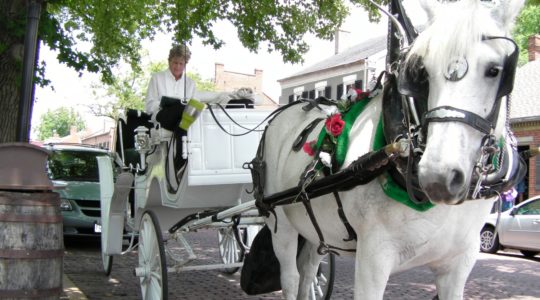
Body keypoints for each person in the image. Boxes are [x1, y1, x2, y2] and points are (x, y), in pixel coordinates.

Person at [145, 44, 196, 115]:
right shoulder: (156, 78)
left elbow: (193, 110)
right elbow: (149, 106)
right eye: (175, 63)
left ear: (185, 64)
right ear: (169, 61)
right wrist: (166, 106)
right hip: (160, 124)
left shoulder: (191, 84)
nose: (178, 66)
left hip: (182, 125)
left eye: (181, 63)